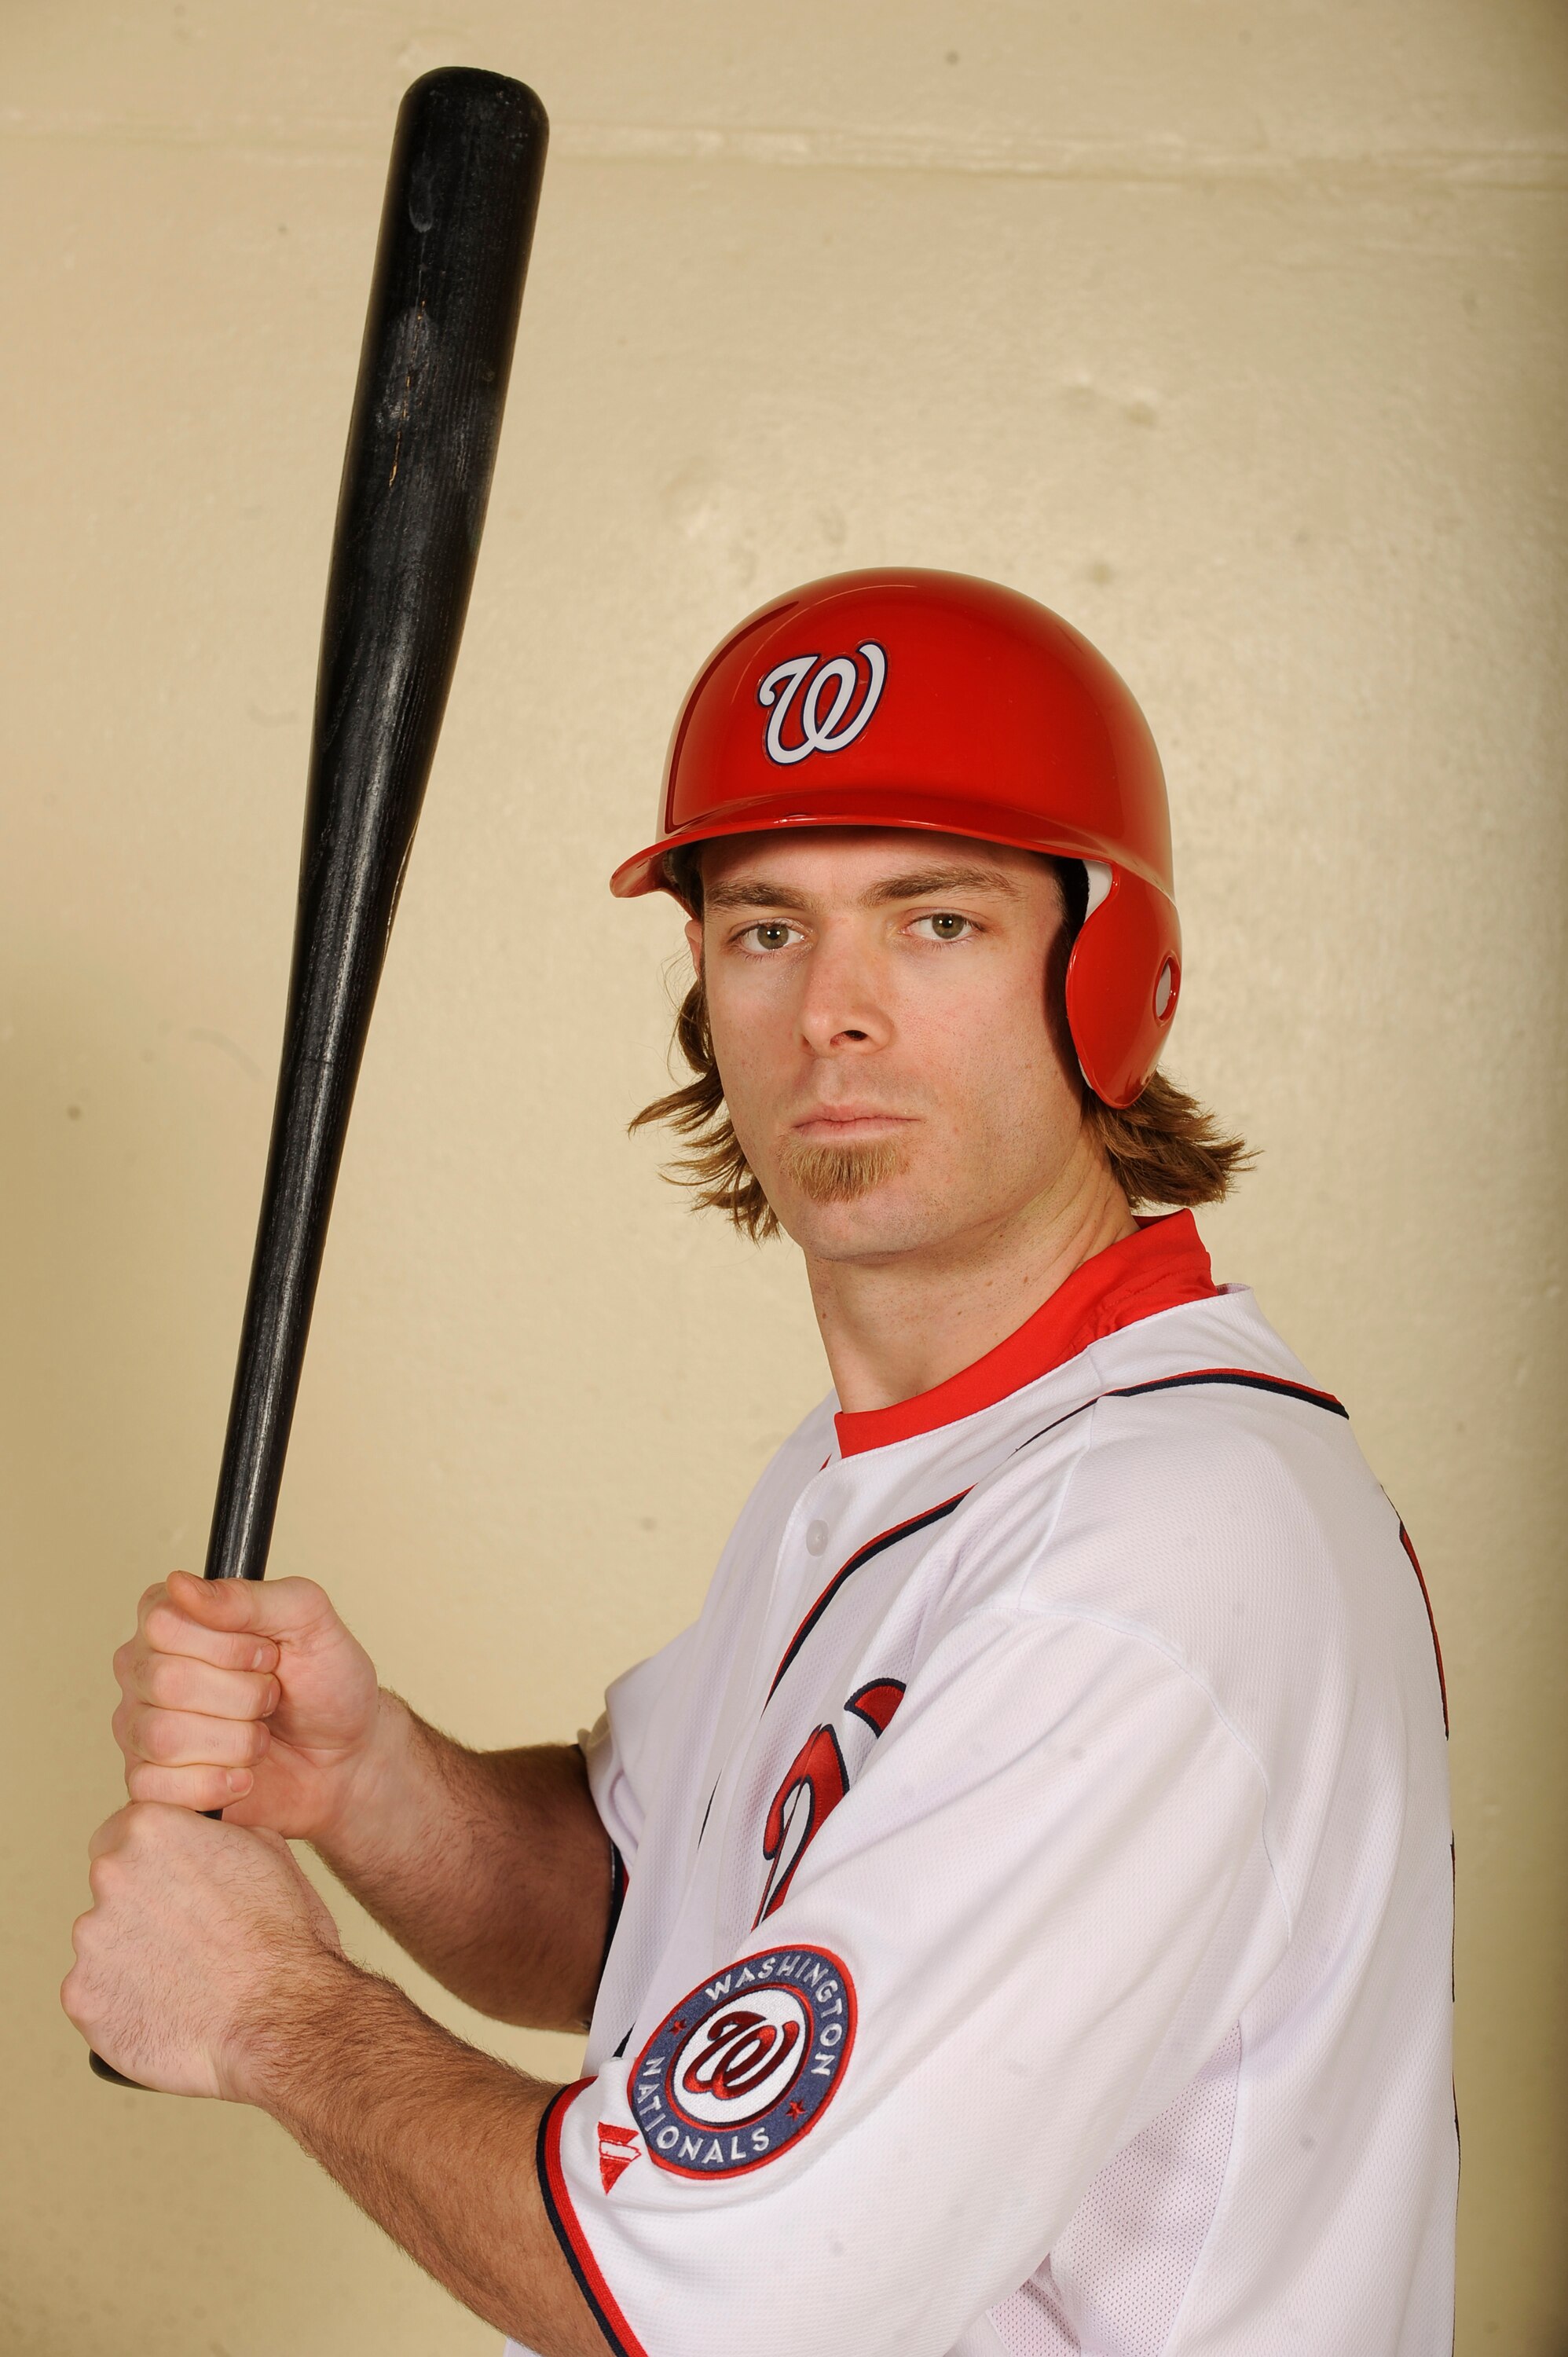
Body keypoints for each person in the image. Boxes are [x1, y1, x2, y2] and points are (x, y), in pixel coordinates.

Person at [64, 570, 1456, 2356]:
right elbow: (647, 1927)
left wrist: (271, 2010)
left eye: (934, 921)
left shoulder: (1158, 1556)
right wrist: (365, 1778)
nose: (830, 1013)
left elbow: (711, 2298)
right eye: (764, 927)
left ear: (1108, 978)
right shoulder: (902, 1471)